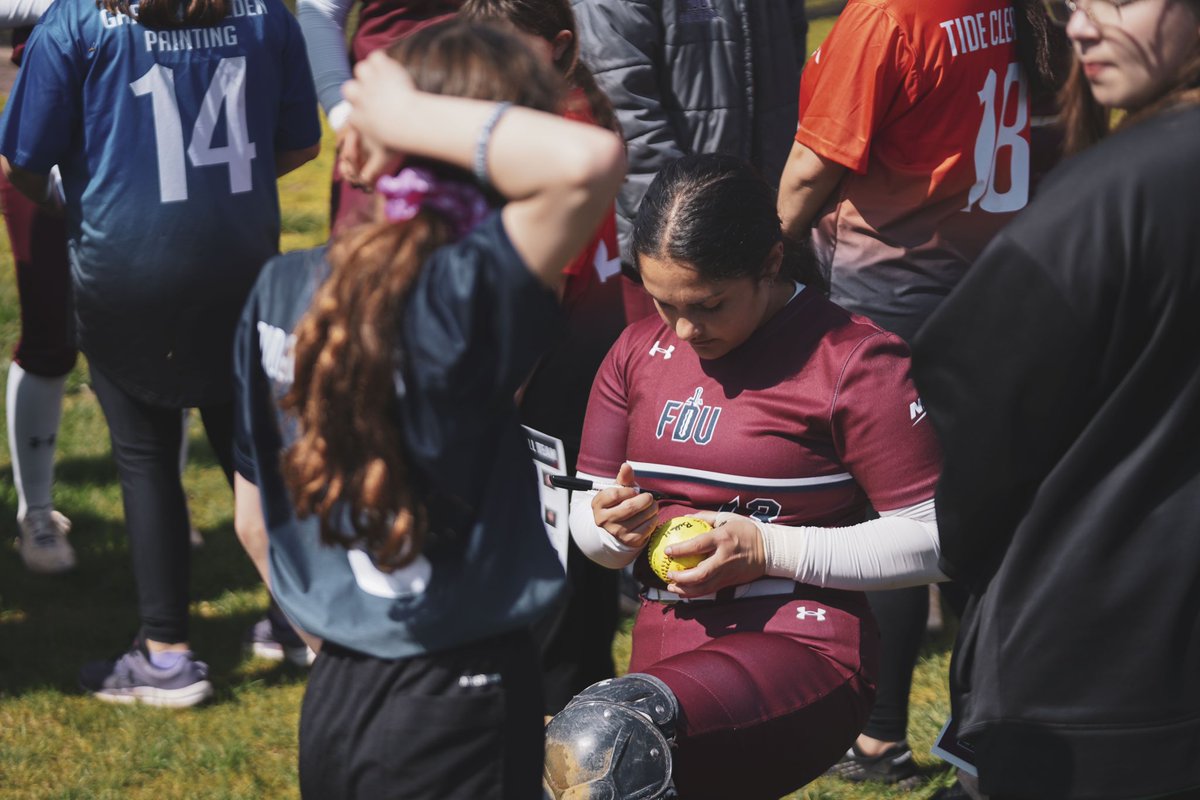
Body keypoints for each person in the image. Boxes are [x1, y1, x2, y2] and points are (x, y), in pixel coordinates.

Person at [231, 20, 625, 799]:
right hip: (460, 695)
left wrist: (338, 636)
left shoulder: (282, 288)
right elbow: (588, 162)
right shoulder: (467, 291)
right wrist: (407, 118)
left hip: (337, 688)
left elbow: (253, 523)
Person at [544, 153, 946, 800]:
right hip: (664, 649)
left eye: (707, 304)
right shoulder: (635, 352)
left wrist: (765, 548)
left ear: (769, 264)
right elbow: (590, 533)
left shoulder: (853, 361)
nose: (682, 328)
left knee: (602, 740)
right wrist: (612, 530)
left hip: (804, 643)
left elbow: (936, 538)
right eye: (662, 301)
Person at [909, 0, 1200, 796]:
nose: (1078, 27)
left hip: (1091, 677)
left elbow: (972, 401)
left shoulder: (1114, 191)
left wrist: (967, 546)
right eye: (1074, 3)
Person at [0, 0, 320, 705]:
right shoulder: (267, 13)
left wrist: (78, 200)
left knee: (145, 457)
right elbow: (300, 143)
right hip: (238, 262)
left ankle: (166, 652)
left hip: (127, 267)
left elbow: (23, 160)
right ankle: (299, 619)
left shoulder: (77, 21)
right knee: (257, 450)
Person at [776, 0, 1063, 780]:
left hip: (895, 295)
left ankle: (879, 737)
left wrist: (767, 257)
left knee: (898, 515)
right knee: (975, 513)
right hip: (993, 280)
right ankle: (983, 725)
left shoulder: (889, 15)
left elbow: (809, 170)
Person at [458, 0, 626, 714]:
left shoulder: (556, 137)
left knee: (553, 587)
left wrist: (494, 407)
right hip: (588, 373)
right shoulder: (575, 108)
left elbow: (539, 294)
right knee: (576, 587)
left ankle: (565, 738)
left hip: (557, 387)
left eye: (511, 53)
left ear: (560, 48)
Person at [571, 0, 808, 319]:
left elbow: (791, 61)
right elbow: (625, 113)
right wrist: (682, 237)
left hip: (757, 233)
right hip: (672, 253)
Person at [297, 0, 460, 234]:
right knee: (371, 262)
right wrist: (345, 116)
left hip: (498, 120)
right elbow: (322, 11)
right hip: (377, 137)